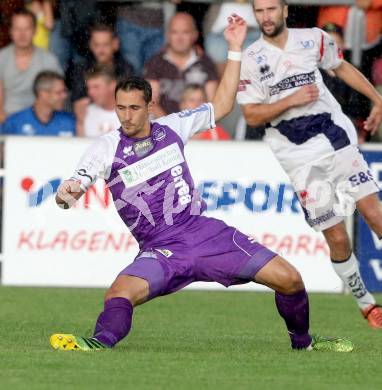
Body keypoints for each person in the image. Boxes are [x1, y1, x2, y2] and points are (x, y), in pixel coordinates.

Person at [49, 15, 352, 353]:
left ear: (150, 106)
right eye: (121, 108)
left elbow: (222, 105)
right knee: (118, 294)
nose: (126, 116)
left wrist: (235, 49)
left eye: (134, 108)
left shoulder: (173, 127)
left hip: (205, 234)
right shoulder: (106, 147)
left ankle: (303, 344)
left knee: (290, 279)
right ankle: (98, 343)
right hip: (161, 248)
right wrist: (68, 193)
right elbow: (76, 183)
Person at [238, 0, 382, 328]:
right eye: (259, 11)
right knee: (337, 236)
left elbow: (341, 66)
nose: (266, 17)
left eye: (271, 9)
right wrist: (291, 99)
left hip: (335, 138)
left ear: (285, 10)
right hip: (298, 157)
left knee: (375, 215)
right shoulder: (250, 59)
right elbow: (251, 114)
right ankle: (366, 304)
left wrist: (377, 98)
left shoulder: (313, 38)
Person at [143, 12, 219, 118]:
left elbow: (213, 104)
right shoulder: (155, 62)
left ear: (195, 35)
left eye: (185, 32)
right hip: (163, 127)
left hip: (197, 127)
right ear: (167, 35)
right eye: (175, 32)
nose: (179, 38)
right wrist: (172, 127)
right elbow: (152, 103)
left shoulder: (206, 63)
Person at [68, 24, 134, 135]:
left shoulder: (125, 68)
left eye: (105, 45)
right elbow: (79, 101)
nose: (101, 50)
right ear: (90, 45)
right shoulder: (81, 69)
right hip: (89, 116)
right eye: (97, 45)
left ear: (115, 44)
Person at [0, 8, 62, 123]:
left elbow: (57, 100)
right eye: (17, 29)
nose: (22, 34)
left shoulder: (49, 60)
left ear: (35, 31)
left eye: (27, 29)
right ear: (10, 31)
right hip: (7, 121)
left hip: (41, 122)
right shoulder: (1, 58)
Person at [2, 71, 75, 136]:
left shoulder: (70, 121)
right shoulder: (14, 123)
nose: (65, 96)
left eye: (65, 91)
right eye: (59, 93)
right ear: (43, 94)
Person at [83, 66, 120, 138]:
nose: (90, 92)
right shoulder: (86, 112)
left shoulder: (131, 113)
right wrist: (80, 122)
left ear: (113, 85)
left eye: (96, 87)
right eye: (89, 88)